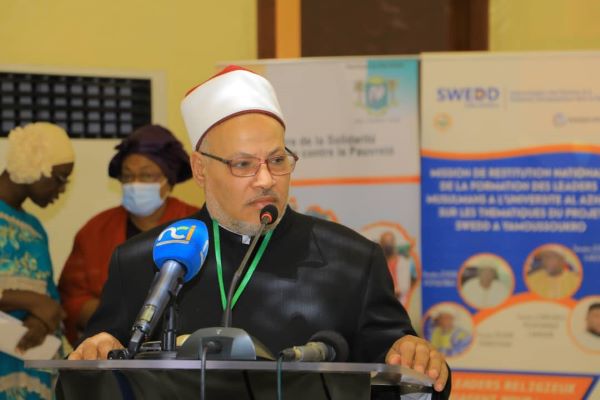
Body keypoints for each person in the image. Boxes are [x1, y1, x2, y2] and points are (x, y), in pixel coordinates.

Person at [69, 66, 450, 395]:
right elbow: (83, 383)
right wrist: (93, 360)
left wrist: (417, 360)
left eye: (277, 160)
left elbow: (403, 374)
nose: (266, 180)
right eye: (243, 164)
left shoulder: (353, 261)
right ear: (200, 169)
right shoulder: (142, 261)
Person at [58, 124, 198, 344]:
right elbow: (72, 297)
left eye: (146, 175)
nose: (135, 184)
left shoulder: (194, 225)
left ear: (168, 180)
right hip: (112, 345)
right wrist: (118, 318)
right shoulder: (96, 230)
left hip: (181, 346)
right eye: (127, 176)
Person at [0, 122, 74, 399]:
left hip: (27, 361)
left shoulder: (35, 228)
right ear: (35, 165)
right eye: (60, 178)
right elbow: (38, 299)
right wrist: (30, 301)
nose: (62, 189)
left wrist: (43, 320)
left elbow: (49, 297)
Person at [379, 230, 416, 305]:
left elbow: (404, 287)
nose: (388, 245)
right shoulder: (377, 263)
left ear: (394, 243)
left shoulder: (403, 262)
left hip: (399, 304)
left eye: (390, 242)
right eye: (385, 242)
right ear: (381, 244)